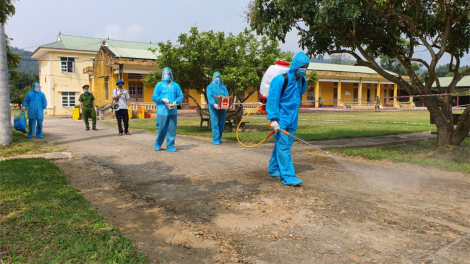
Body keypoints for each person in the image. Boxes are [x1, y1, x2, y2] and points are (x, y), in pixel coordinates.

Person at [266, 51, 309, 186]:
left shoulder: (302, 81)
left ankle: (273, 169)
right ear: (296, 66)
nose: (305, 70)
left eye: (307, 67)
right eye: (303, 67)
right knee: (284, 147)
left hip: (293, 118)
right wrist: (273, 119)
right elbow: (272, 100)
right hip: (281, 119)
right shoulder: (280, 80)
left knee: (283, 146)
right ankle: (289, 176)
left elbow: (298, 95)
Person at [152, 67, 184, 152]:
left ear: (171, 74)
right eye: (166, 73)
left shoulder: (176, 85)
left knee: (172, 129)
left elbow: (180, 96)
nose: (167, 75)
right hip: (162, 110)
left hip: (173, 110)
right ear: (163, 74)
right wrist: (162, 99)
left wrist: (176, 101)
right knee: (161, 128)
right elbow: (154, 97)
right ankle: (158, 143)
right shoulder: (159, 85)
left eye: (169, 73)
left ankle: (170, 146)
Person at [206, 72, 229, 145]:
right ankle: (215, 139)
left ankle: (219, 137)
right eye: (216, 77)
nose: (218, 78)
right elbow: (209, 97)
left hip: (222, 108)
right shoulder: (209, 87)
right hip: (214, 108)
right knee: (215, 124)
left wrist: (230, 104)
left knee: (222, 123)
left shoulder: (223, 87)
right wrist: (214, 104)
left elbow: (227, 96)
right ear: (213, 78)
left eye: (219, 77)